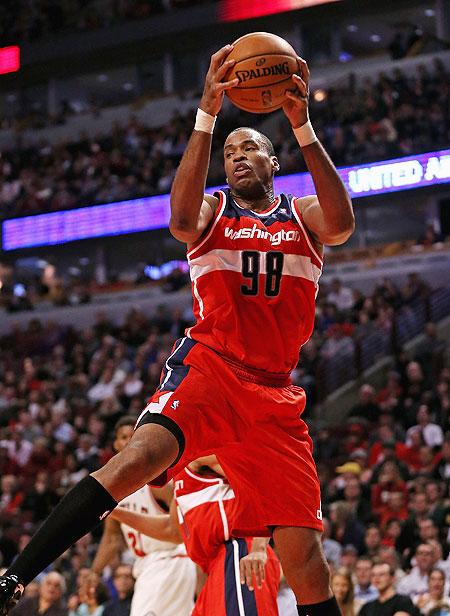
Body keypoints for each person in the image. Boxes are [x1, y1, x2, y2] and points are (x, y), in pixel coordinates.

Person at [0, 43, 354, 616]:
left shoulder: (304, 214)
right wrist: (208, 117)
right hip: (213, 368)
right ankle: (11, 581)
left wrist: (302, 123)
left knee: (306, 561)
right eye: (231, 151)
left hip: (274, 394)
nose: (238, 156)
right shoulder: (214, 213)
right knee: (136, 459)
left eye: (252, 148)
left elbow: (341, 225)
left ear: (273, 162)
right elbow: (180, 221)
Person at [110, 455, 281, 614]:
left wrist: (259, 548)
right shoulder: (179, 475)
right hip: (215, 565)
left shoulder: (200, 456)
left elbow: (261, 479)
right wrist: (114, 512)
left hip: (240, 551)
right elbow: (172, 530)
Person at [91, 417, 196, 616]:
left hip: (168, 559)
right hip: (148, 566)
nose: (129, 440)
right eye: (123, 437)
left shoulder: (156, 481)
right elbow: (112, 538)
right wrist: (94, 572)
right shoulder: (116, 487)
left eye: (133, 435)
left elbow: (188, 513)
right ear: (116, 444)